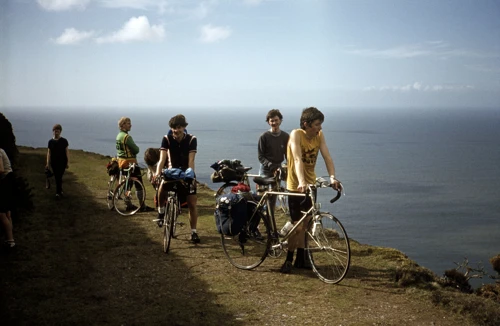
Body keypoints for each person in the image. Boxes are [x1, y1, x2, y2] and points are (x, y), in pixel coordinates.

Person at [281, 107, 342, 274]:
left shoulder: (319, 136)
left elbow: (327, 156)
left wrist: (332, 177)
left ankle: (302, 258)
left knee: (306, 224)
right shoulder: (296, 134)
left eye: (320, 124)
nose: (320, 128)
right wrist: (301, 181)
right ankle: (288, 258)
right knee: (298, 226)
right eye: (316, 124)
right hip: (296, 186)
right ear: (306, 124)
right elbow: (298, 158)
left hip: (310, 186)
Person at [154, 114, 200, 243]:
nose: (176, 130)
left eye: (179, 127)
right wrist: (157, 173)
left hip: (186, 172)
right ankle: (161, 211)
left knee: (191, 203)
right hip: (171, 171)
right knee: (162, 185)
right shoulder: (167, 139)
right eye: (174, 128)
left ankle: (194, 232)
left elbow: (191, 160)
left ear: (184, 127)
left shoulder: (192, 139)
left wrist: (191, 176)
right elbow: (162, 159)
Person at [257, 109, 289, 236]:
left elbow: (288, 155)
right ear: (268, 122)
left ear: (280, 120)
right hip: (265, 171)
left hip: (277, 171)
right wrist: (271, 166)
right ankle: (256, 227)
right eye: (272, 121)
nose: (274, 123)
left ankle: (270, 228)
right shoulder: (264, 137)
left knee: (272, 201)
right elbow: (260, 156)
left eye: (276, 120)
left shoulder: (286, 136)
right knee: (261, 200)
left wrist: (287, 167)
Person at [116, 117, 145, 210]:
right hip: (130, 162)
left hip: (121, 162)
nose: (130, 125)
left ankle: (128, 204)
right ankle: (142, 205)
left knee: (128, 184)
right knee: (139, 184)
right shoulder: (127, 137)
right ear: (123, 125)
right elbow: (136, 149)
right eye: (128, 123)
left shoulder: (118, 136)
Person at [46, 124, 69, 198]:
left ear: (60, 131)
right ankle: (59, 192)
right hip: (54, 162)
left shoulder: (64, 141)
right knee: (57, 177)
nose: (56, 132)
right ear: (53, 131)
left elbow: (67, 152)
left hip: (62, 162)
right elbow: (49, 153)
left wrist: (67, 162)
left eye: (58, 131)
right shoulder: (50, 142)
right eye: (55, 131)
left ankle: (58, 192)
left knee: (59, 176)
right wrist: (47, 163)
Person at [0, 148, 15, 250]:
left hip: (5, 182)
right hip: (8, 182)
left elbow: (1, 170)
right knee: (7, 212)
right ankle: (10, 240)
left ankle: (10, 241)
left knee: (1, 213)